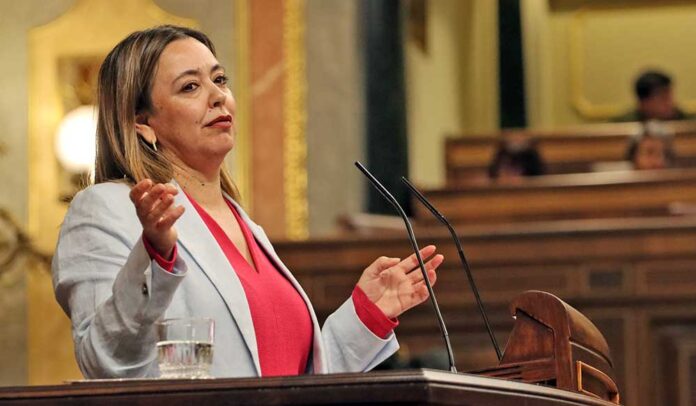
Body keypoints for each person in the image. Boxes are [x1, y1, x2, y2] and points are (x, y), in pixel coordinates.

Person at [52, 25, 443, 379]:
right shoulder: (107, 208)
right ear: (142, 122)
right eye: (190, 87)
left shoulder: (243, 222)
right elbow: (106, 359)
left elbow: (290, 381)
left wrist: (364, 316)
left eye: (220, 79)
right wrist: (153, 256)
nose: (218, 96)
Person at [614, 70, 691, 122]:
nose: (670, 102)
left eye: (670, 96)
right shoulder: (622, 126)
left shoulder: (685, 121)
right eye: (663, 98)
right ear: (643, 102)